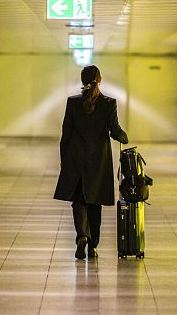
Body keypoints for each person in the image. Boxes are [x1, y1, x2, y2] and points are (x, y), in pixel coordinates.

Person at [54, 65, 128, 260]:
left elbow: (66, 134)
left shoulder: (72, 103)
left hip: (75, 158)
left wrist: (64, 161)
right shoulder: (108, 103)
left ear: (82, 80)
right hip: (99, 161)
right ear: (100, 80)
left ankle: (82, 236)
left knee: (78, 201)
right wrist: (124, 136)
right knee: (95, 203)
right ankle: (93, 245)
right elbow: (115, 131)